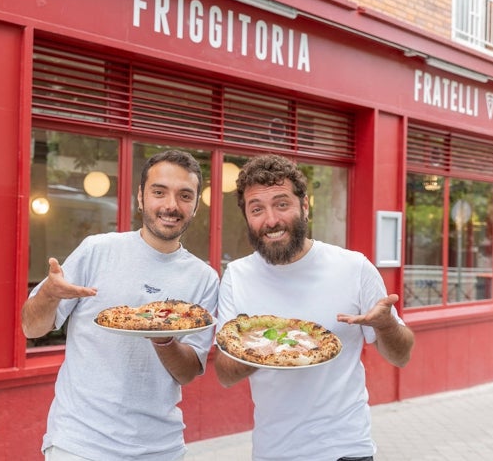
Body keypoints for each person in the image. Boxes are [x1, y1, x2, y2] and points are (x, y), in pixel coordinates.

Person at [214, 154, 414, 461]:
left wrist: (386, 325)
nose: (271, 220)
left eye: (282, 204)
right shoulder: (237, 276)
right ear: (247, 217)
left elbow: (401, 356)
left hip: (345, 449)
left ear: (304, 206)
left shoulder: (354, 267)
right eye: (257, 209)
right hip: (273, 452)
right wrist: (270, 346)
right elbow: (225, 375)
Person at [22, 149, 219, 461]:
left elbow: (187, 372)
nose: (171, 205)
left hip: (160, 448)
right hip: (80, 443)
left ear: (195, 205)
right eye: (159, 192)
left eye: (184, 195)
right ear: (140, 197)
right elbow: (31, 327)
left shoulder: (205, 278)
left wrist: (163, 337)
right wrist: (48, 293)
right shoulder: (97, 250)